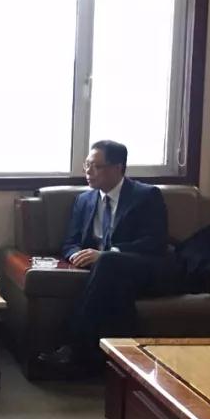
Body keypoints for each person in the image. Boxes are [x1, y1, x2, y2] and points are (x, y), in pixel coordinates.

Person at [40, 140, 176, 372]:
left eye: (96, 166)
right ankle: (112, 361)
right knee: (117, 288)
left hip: (142, 266)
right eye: (87, 165)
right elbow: (70, 243)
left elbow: (155, 242)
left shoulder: (146, 196)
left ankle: (74, 347)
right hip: (107, 272)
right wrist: (77, 256)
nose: (88, 171)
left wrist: (108, 254)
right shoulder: (84, 200)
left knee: (108, 262)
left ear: (117, 168)